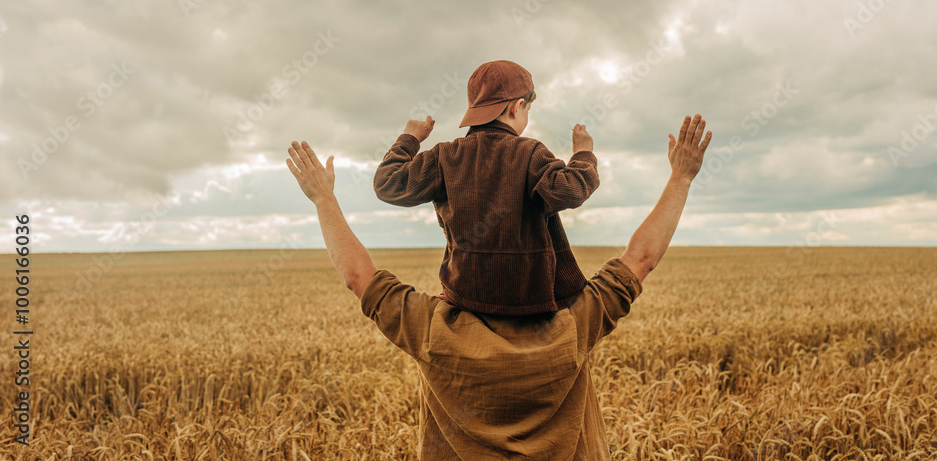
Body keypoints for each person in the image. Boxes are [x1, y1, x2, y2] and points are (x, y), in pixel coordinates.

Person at [285, 114, 712, 459]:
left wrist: (324, 198)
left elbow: (358, 277)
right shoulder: (572, 327)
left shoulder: (434, 332)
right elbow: (641, 258)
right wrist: (681, 177)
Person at [373, 60, 600, 316]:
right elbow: (572, 190)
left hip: (466, 300)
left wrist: (410, 139)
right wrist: (583, 155)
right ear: (518, 107)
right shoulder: (529, 152)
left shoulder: (444, 156)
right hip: (529, 305)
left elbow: (386, 183)